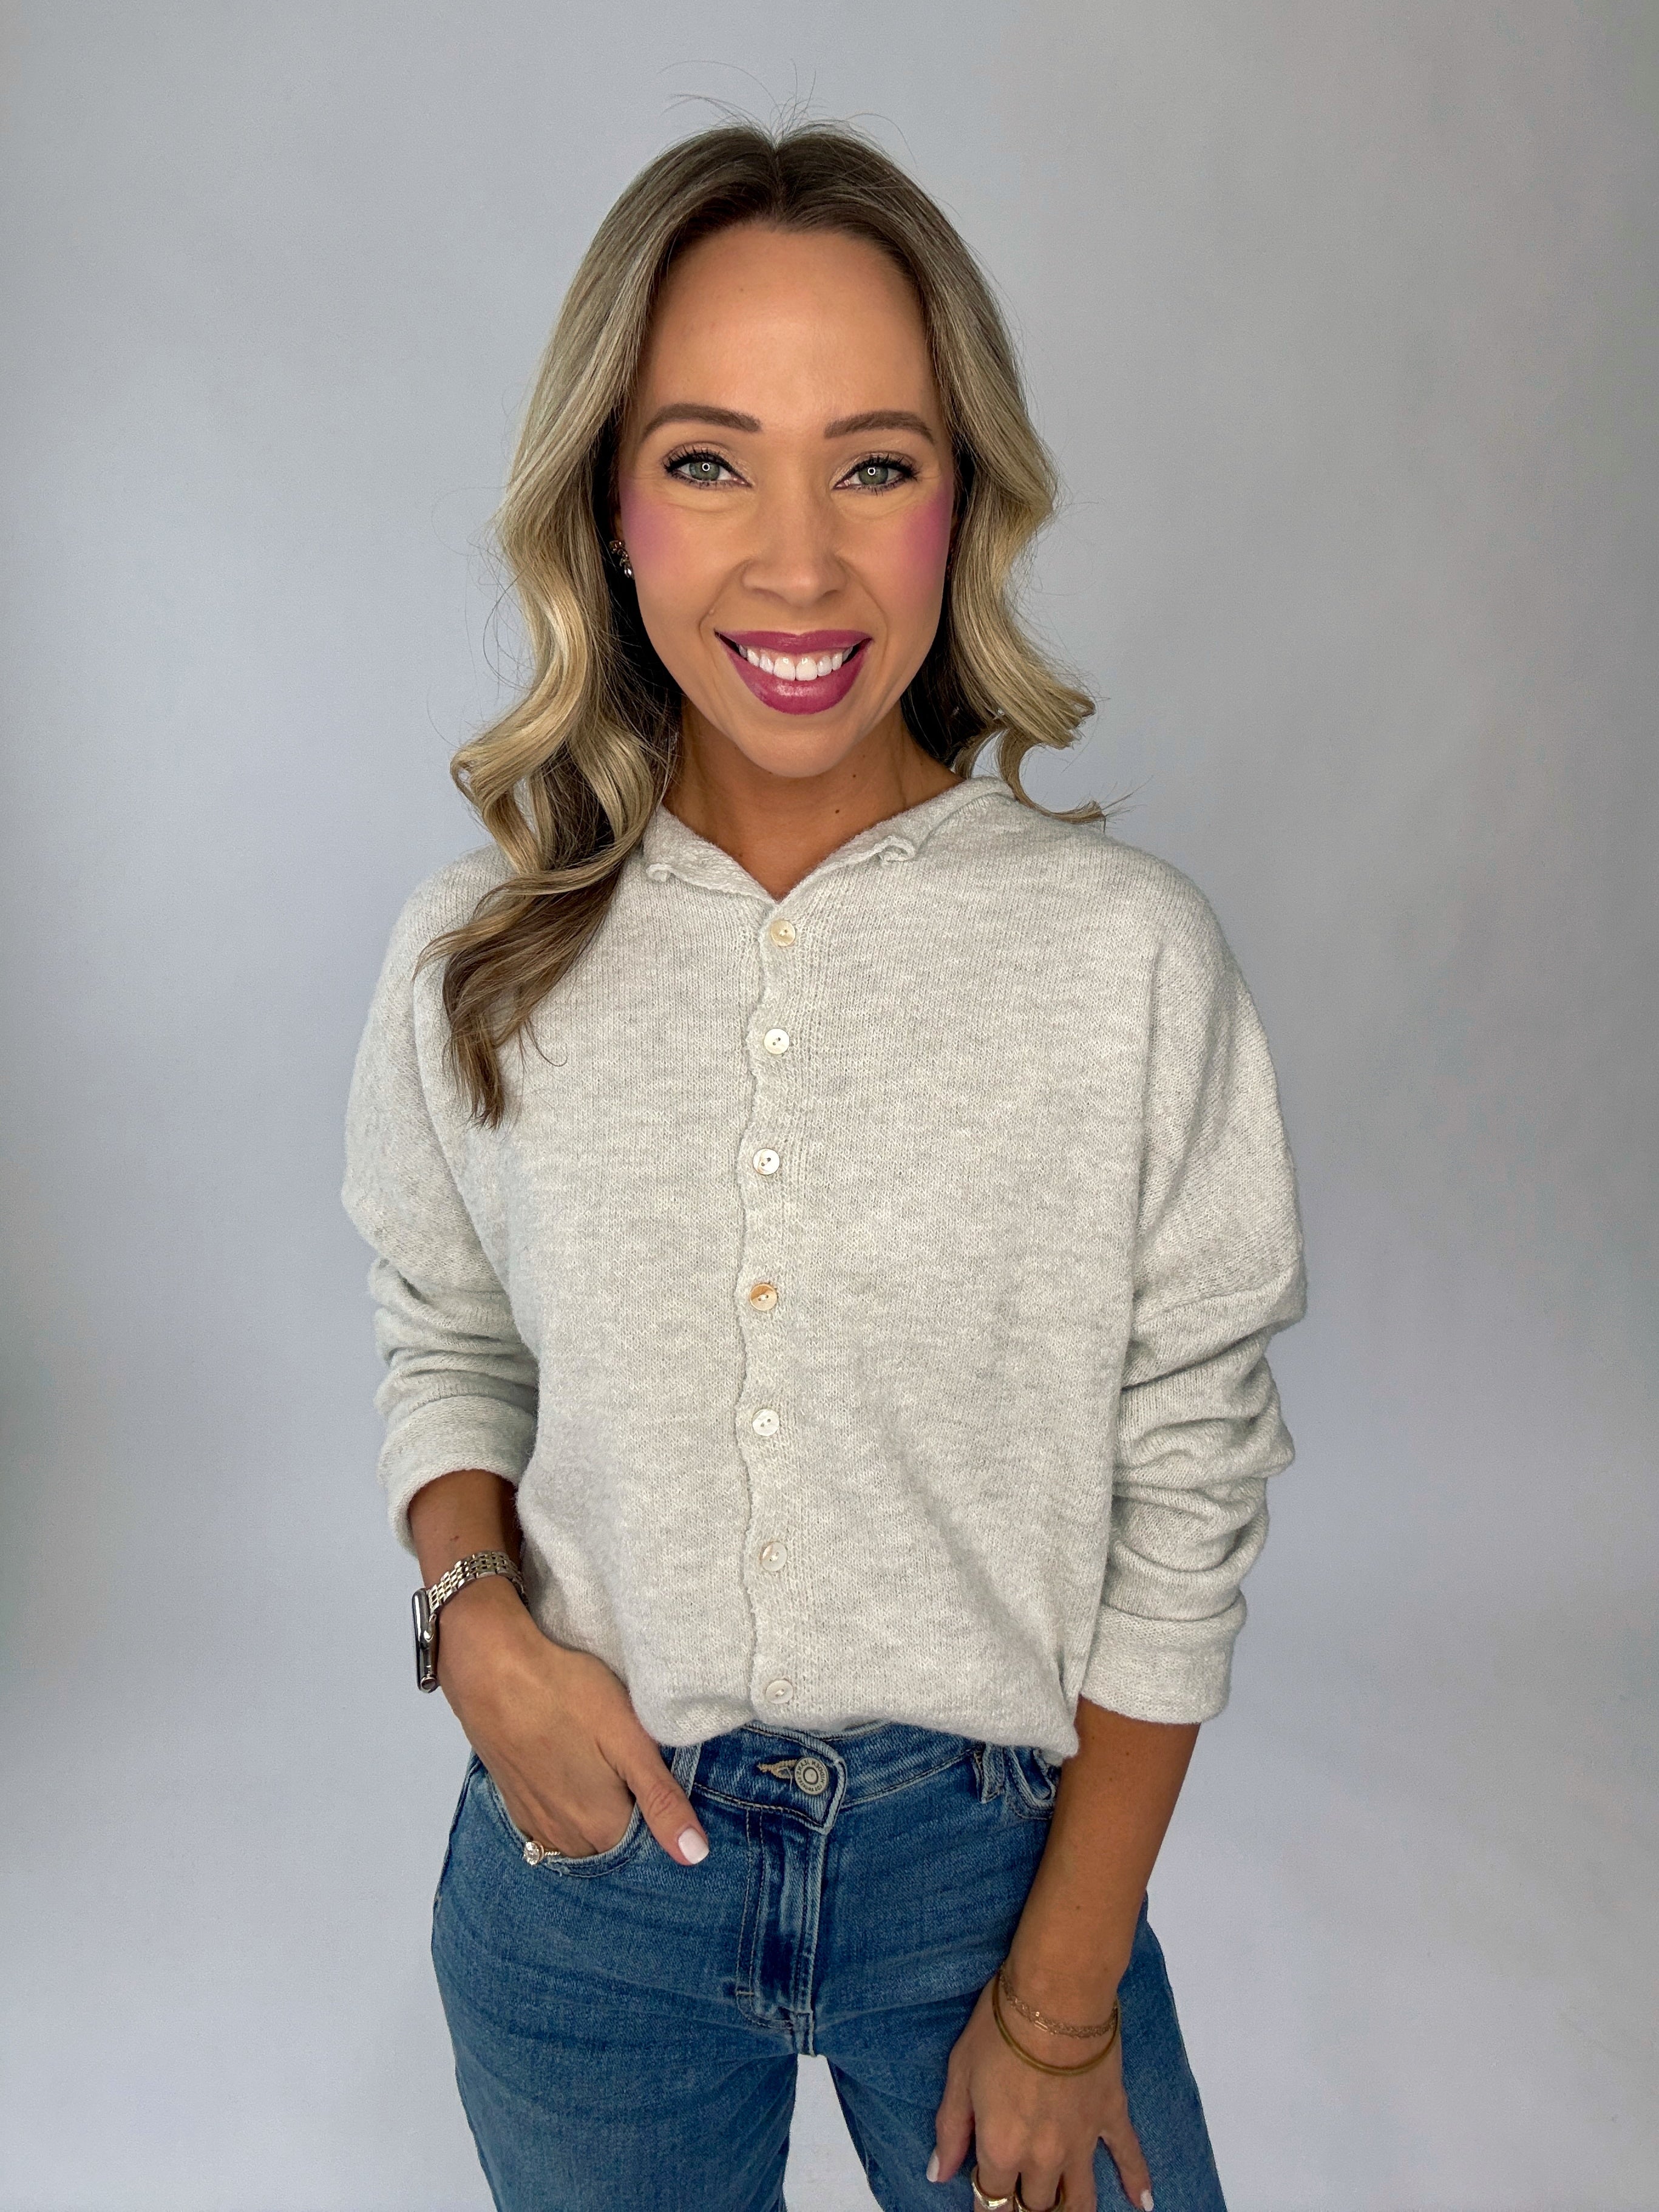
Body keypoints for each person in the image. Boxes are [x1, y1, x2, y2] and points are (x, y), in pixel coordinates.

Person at [342, 119, 1305, 2212]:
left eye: (875, 464)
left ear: (965, 505)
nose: (798, 563)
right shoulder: (476, 951)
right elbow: (447, 1325)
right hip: (585, 1885)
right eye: (708, 461)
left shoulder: (1121, 958)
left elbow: (1190, 1486)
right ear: (610, 510)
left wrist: (1063, 2001)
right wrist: (473, 1619)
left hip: (999, 1882)